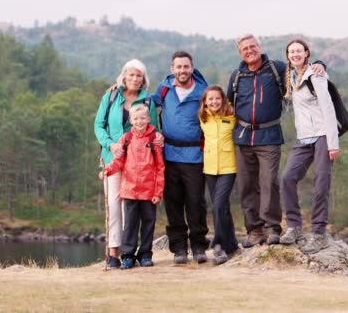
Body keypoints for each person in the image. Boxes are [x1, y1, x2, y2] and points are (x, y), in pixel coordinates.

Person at [227, 34, 326, 248]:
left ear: (260, 47)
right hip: (243, 137)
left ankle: (272, 227)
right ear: (240, 52)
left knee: (270, 182)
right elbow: (229, 105)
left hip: (269, 135)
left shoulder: (277, 69)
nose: (250, 50)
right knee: (246, 185)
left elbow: (301, 68)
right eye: (245, 48)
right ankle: (254, 230)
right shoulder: (237, 76)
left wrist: (319, 64)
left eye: (253, 46)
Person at [94, 59, 159, 269]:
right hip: (113, 156)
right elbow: (98, 125)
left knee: (130, 208)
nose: (134, 79)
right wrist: (110, 144)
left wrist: (159, 139)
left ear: (143, 80)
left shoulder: (148, 101)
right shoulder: (111, 96)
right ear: (124, 76)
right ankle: (114, 252)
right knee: (114, 205)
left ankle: (129, 253)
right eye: (131, 74)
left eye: (139, 75)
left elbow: (154, 131)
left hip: (139, 163)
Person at [279, 39, 339, 254]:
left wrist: (333, 143)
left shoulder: (316, 75)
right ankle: (294, 226)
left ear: (306, 53)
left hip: (323, 134)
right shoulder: (291, 77)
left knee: (321, 181)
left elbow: (328, 108)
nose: (295, 54)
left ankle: (319, 231)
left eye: (298, 51)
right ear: (288, 56)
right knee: (287, 178)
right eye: (291, 52)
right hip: (304, 137)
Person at [152, 51, 210, 264]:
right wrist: (122, 90)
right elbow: (147, 103)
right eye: (178, 67)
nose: (182, 70)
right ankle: (179, 249)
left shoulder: (204, 91)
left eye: (186, 67)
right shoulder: (165, 89)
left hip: (195, 154)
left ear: (192, 68)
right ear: (172, 69)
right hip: (169, 154)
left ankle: (198, 246)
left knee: (196, 202)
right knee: (173, 202)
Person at [99, 104, 165, 269]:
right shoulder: (126, 139)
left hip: (149, 191)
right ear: (131, 120)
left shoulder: (154, 140)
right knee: (130, 224)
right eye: (136, 118)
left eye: (143, 118)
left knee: (148, 223)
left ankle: (145, 255)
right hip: (129, 190)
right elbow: (118, 161)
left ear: (149, 119)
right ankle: (128, 255)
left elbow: (160, 167)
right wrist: (107, 171)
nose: (140, 121)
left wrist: (158, 191)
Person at [198, 85, 239, 265]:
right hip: (209, 167)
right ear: (205, 102)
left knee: (218, 205)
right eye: (210, 99)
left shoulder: (232, 116)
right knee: (221, 207)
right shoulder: (202, 117)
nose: (214, 101)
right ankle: (232, 244)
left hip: (228, 167)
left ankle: (219, 245)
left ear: (223, 99)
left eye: (217, 98)